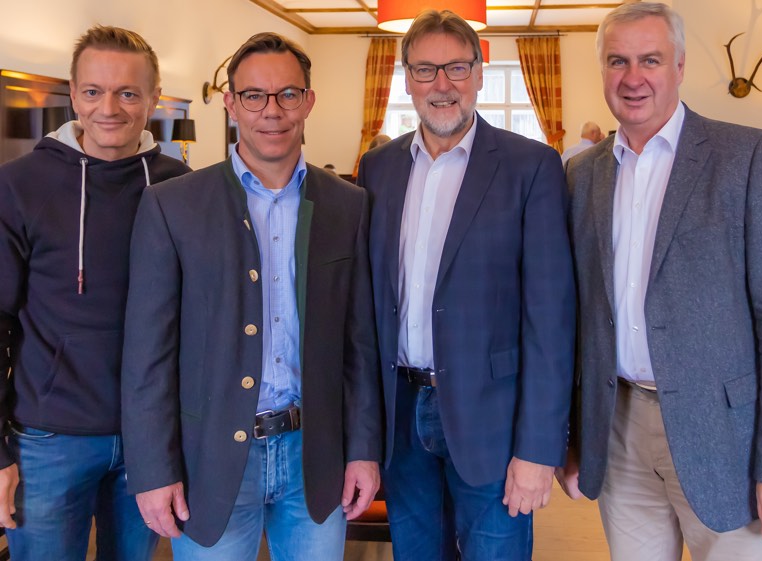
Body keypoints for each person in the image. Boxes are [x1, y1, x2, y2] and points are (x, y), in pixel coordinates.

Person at [560, 3, 762, 561]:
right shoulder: (582, 174)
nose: (633, 77)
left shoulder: (749, 156)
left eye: (650, 60)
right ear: (603, 70)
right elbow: (579, 318)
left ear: (680, 66)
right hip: (618, 432)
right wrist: (575, 436)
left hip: (726, 438)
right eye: (618, 61)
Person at [120, 32, 381, 560]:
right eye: (255, 96)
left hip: (315, 456)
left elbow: (359, 346)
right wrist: (152, 470)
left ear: (308, 101)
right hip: (210, 460)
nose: (272, 111)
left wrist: (363, 450)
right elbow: (148, 354)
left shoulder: (348, 205)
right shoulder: (172, 205)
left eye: (288, 94)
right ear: (231, 104)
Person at [357, 9, 575, 561]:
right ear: (407, 79)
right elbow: (368, 309)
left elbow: (551, 321)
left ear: (479, 73)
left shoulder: (531, 166)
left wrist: (538, 449)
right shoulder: (378, 168)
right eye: (425, 70)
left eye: (456, 67)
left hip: (492, 424)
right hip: (400, 419)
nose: (442, 84)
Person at [0, 25, 190, 561]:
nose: (108, 108)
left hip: (151, 439)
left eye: (127, 93)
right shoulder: (19, 184)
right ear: (73, 93)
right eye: (93, 91)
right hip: (47, 439)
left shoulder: (181, 184)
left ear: (153, 97)